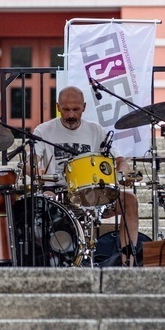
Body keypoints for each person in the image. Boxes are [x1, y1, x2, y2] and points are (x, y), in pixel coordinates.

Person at [32, 86, 142, 266]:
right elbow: (32, 162)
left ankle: (127, 263)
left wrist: (122, 172)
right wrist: (36, 169)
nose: (71, 115)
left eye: (76, 109)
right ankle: (50, 262)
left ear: (84, 107)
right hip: (57, 193)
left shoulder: (96, 130)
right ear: (58, 107)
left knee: (130, 200)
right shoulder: (43, 131)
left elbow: (120, 161)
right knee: (43, 203)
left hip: (93, 194)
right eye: (66, 109)